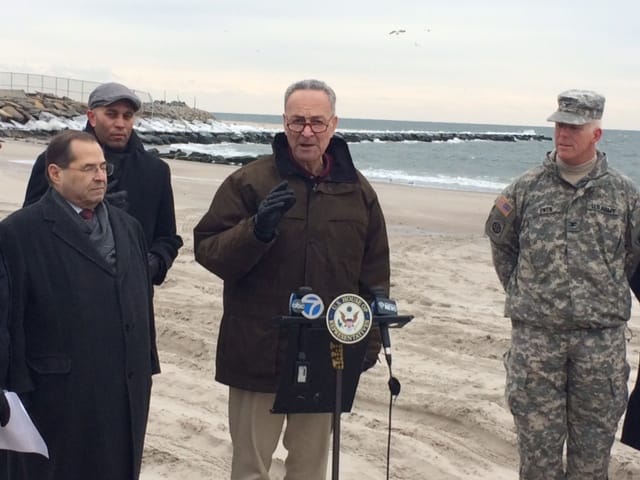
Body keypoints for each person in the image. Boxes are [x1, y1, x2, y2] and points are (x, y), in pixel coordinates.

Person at [193, 79, 390, 479]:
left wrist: (365, 343)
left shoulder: (357, 191)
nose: (307, 132)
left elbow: (374, 276)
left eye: (316, 122)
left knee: (310, 469)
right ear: (283, 122)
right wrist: (257, 230)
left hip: (327, 354)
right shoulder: (249, 182)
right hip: (257, 350)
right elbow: (208, 250)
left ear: (334, 124)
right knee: (250, 468)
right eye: (297, 121)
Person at [485, 90, 640, 479]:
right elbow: (503, 245)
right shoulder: (525, 189)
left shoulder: (625, 195)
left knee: (591, 462)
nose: (563, 134)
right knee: (538, 461)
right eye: (559, 125)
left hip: (599, 346)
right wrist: (529, 294)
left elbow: (633, 258)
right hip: (536, 344)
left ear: (597, 134)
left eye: (573, 127)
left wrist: (600, 293)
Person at [0, 130, 160, 479]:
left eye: (103, 167)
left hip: (125, 386)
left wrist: (145, 362)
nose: (101, 177)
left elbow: (139, 299)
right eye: (88, 168)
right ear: (55, 173)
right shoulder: (18, 233)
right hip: (54, 393)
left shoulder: (127, 226)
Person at [23, 82, 182, 285]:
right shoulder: (56, 162)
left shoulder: (156, 171)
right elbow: (30, 227)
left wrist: (153, 264)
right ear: (92, 117)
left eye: (127, 116)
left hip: (131, 293)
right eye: (111, 114)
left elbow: (167, 237)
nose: (120, 123)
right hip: (63, 286)